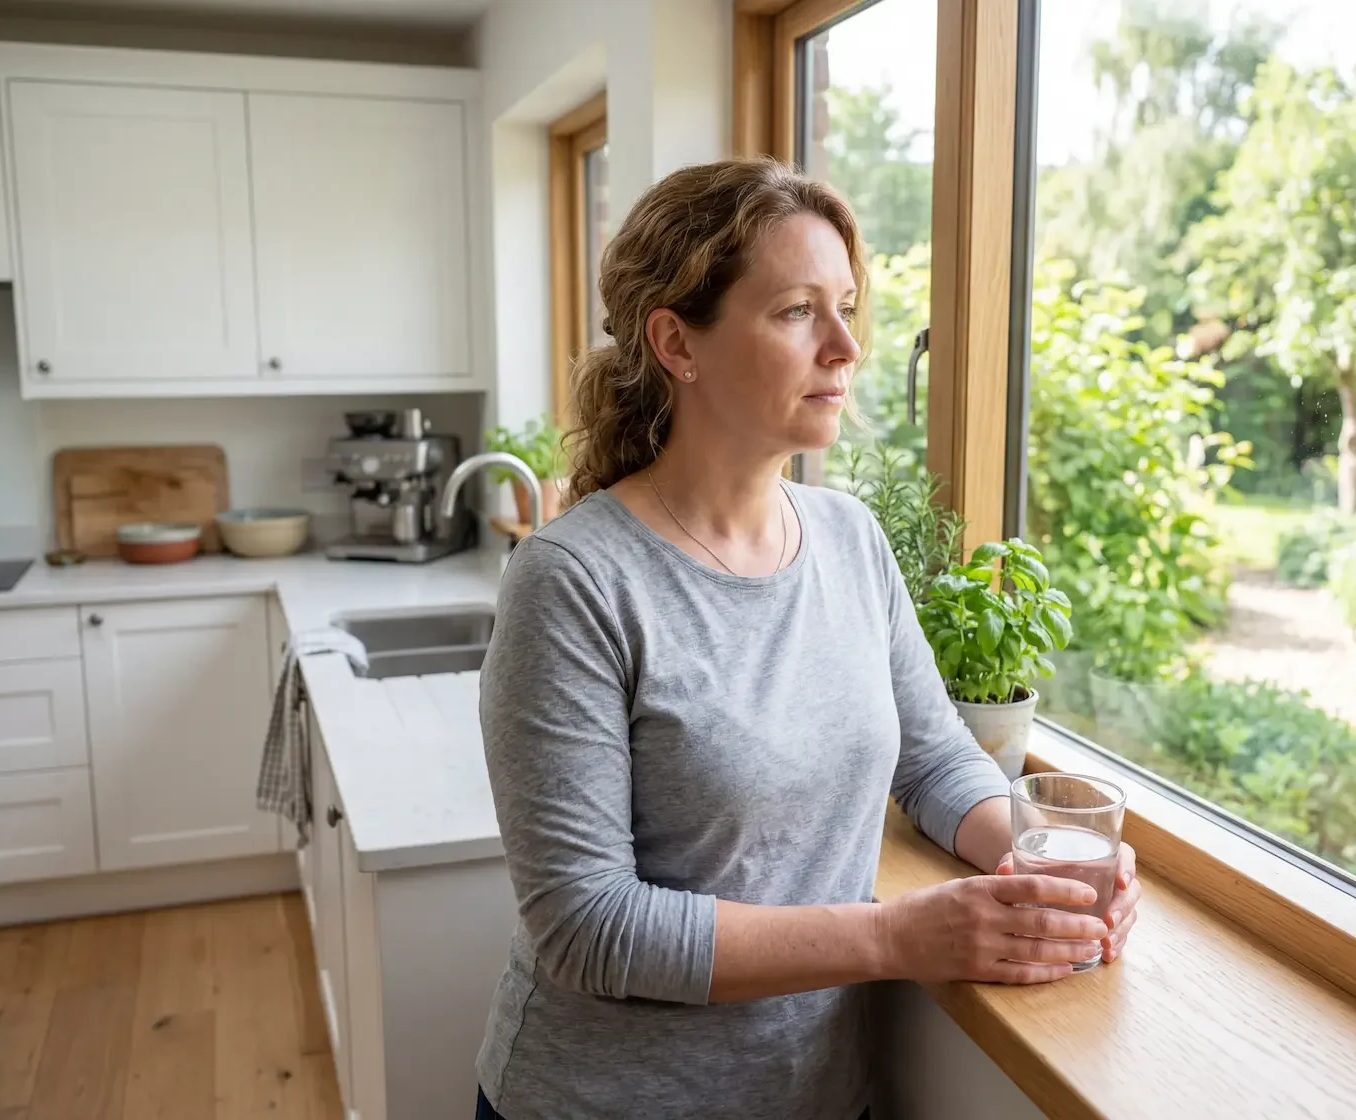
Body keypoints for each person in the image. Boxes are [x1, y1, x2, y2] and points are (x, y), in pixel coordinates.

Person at [475, 158, 1141, 1120]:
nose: (846, 347)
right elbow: (588, 926)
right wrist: (894, 938)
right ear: (676, 342)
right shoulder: (573, 581)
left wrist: (1047, 859)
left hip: (818, 1095)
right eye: (797, 311)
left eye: (848, 309)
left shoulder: (849, 538)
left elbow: (936, 760)